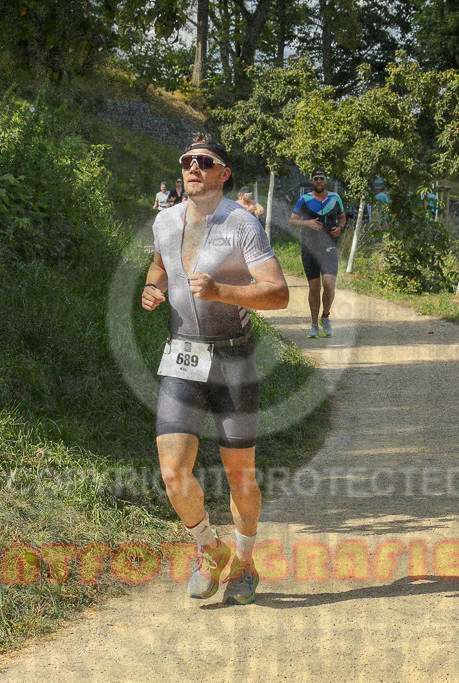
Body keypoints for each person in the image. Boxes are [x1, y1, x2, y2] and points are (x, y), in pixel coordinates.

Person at [141, 133, 289, 605]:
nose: (193, 168)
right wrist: (152, 288)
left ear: (223, 174)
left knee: (239, 473)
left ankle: (245, 561)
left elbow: (279, 293)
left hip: (233, 360)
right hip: (183, 357)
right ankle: (209, 549)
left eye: (205, 162)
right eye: (187, 161)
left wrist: (224, 292)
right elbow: (159, 265)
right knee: (172, 472)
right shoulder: (164, 221)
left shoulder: (242, 224)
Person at [289, 168, 346, 338]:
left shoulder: (335, 198)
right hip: (309, 249)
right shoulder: (304, 199)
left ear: (326, 180)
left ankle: (325, 317)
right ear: (312, 181)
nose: (319, 182)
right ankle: (314, 324)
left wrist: (340, 228)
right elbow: (292, 221)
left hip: (329, 248)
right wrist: (307, 223)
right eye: (316, 179)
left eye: (322, 179)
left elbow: (342, 217)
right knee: (314, 289)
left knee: (329, 285)